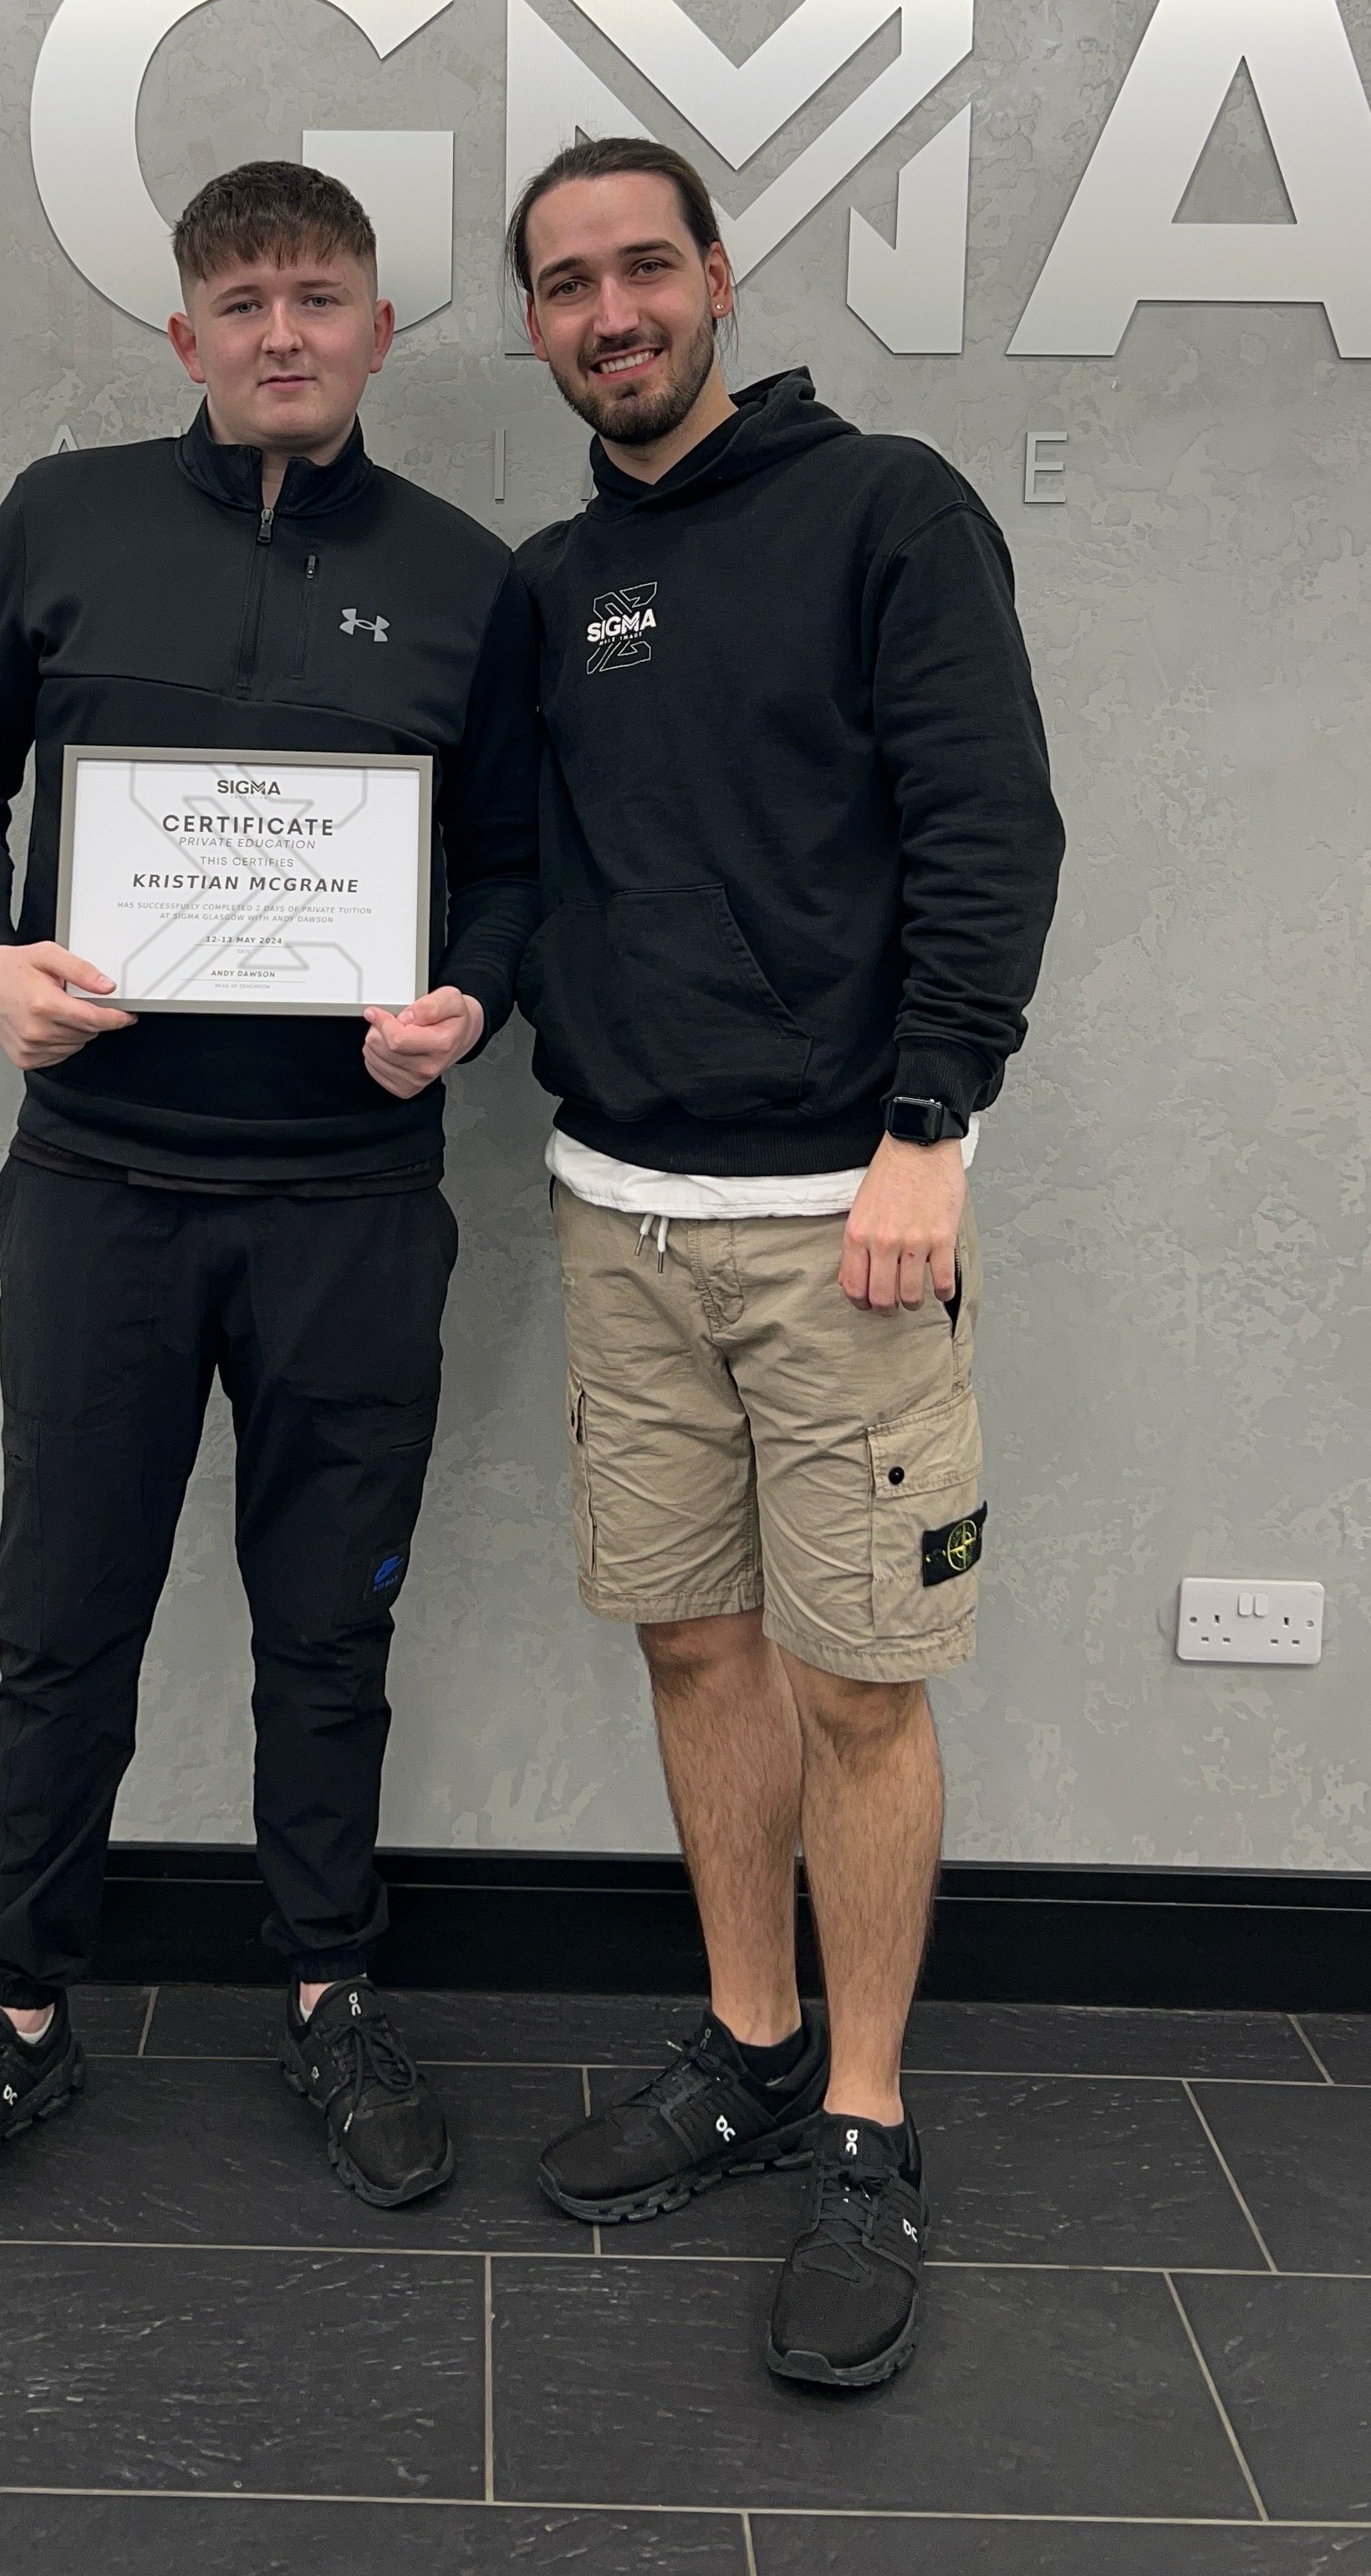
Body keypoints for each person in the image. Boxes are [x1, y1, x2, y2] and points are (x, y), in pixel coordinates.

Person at [0, 161, 537, 2231]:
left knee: (330, 1629)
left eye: (318, 297)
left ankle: (328, 1994)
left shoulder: (467, 577)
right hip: (98, 1198)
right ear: (184, 335)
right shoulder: (61, 525)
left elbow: (506, 861)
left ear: (376, 331)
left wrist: (472, 1002)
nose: (281, 333)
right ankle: (22, 2016)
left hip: (351, 1203)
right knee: (63, 1618)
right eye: (240, 302)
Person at [510, 135, 1063, 2389]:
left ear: (717, 281)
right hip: (612, 1210)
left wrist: (930, 1122)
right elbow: (518, 858)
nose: (610, 312)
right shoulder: (549, 585)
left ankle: (859, 2118)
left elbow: (987, 821)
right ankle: (743, 2045)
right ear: (537, 325)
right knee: (693, 1653)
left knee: (858, 1683)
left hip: (842, 1222)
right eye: (564, 284)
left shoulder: (884, 511)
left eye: (644, 266)